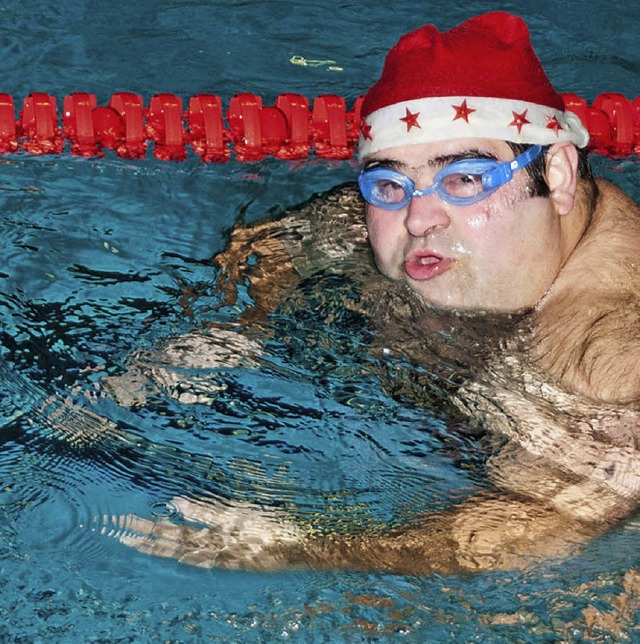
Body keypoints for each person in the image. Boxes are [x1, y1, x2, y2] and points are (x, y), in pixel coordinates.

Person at [110, 11, 640, 574]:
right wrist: (239, 323)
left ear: (556, 174)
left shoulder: (606, 343)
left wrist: (307, 548)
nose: (418, 217)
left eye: (464, 177)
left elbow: (539, 522)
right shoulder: (393, 218)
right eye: (389, 182)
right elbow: (290, 239)